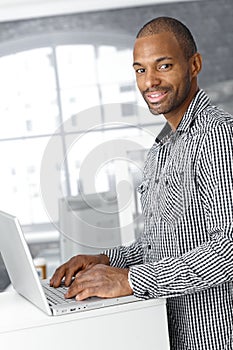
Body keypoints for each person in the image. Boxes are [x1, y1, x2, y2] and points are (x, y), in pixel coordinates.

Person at [50, 17, 233, 349]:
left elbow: (228, 250)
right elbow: (159, 244)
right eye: (140, 70)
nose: (151, 81)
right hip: (170, 332)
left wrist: (130, 280)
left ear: (195, 65)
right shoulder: (160, 150)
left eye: (163, 65)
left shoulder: (218, 135)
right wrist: (107, 261)